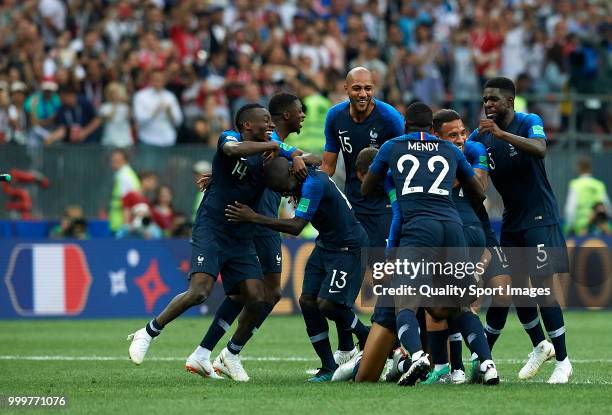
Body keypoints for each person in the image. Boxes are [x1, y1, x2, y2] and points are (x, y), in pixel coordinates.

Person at [127, 104, 291, 382]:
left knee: (257, 296)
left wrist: (297, 159)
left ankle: (230, 354)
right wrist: (270, 148)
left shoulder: (271, 145)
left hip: (240, 235)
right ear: (247, 125)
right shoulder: (229, 137)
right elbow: (231, 152)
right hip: (212, 229)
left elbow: (297, 156)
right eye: (265, 121)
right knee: (199, 292)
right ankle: (148, 331)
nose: (271, 125)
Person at [361, 102, 498, 386]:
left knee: (406, 304)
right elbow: (478, 191)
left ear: (405, 125)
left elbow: (367, 186)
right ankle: (487, 364)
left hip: (419, 230)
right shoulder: (448, 149)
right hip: (453, 228)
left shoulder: (392, 147)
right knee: (461, 305)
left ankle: (418, 356)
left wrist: (392, 181)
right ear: (432, 129)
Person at [192, 93, 323, 372]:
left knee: (256, 294)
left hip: (260, 220)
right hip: (258, 222)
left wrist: (297, 165)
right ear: (284, 115)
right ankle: (227, 353)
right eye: (300, 112)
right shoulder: (266, 141)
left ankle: (209, 352)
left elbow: (309, 158)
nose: (303, 116)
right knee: (263, 293)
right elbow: (241, 161)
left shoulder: (278, 145)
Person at [225, 157, 369, 382]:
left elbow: (296, 227)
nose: (283, 194)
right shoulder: (297, 174)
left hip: (349, 247)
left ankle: (366, 335)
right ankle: (328, 367)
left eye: (283, 189)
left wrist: (254, 217)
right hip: (326, 245)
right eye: (278, 191)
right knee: (307, 302)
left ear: (293, 174)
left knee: (329, 304)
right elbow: (287, 151)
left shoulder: (313, 183)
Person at [468, 77, 572, 383]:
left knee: (542, 290)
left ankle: (564, 361)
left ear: (510, 102)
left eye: (494, 100)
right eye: (485, 99)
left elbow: (540, 149)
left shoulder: (529, 121)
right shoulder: (481, 137)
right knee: (517, 289)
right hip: (512, 221)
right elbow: (461, 152)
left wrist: (501, 134)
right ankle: (541, 346)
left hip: (540, 217)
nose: (488, 105)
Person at [320, 66, 404, 358]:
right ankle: (346, 350)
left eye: (368, 88)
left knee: (383, 280)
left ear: (375, 88)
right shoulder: (335, 117)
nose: (363, 94)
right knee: (345, 279)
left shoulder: (391, 118)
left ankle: (391, 347)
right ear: (346, 89)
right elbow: (329, 165)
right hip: (352, 207)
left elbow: (405, 162)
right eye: (357, 88)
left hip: (382, 209)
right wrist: (314, 189)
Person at [428, 109, 513, 384]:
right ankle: (479, 364)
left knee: (452, 304)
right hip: (465, 230)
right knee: (458, 303)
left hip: (462, 232)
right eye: (453, 135)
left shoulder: (469, 149)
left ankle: (455, 368)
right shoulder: (438, 154)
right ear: (435, 135)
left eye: (462, 132)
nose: (461, 138)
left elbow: (481, 187)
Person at [133, 69, 183, 146]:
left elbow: (178, 122)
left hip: (168, 140)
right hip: (147, 140)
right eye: (156, 80)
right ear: (150, 80)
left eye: (160, 80)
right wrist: (155, 111)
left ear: (164, 81)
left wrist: (169, 112)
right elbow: (139, 119)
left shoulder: (170, 96)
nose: (158, 82)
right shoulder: (140, 96)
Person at [564, 157, 610, 237]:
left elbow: (570, 209)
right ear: (590, 168)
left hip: (580, 228)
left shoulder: (575, 184)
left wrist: (570, 226)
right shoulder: (599, 184)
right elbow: (607, 207)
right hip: (599, 226)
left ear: (578, 168)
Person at [109, 149, 141, 233]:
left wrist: (125, 225)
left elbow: (128, 202)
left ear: (125, 161)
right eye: (112, 160)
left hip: (122, 224)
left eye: (117, 160)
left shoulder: (124, 176)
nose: (113, 163)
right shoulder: (122, 173)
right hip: (117, 222)